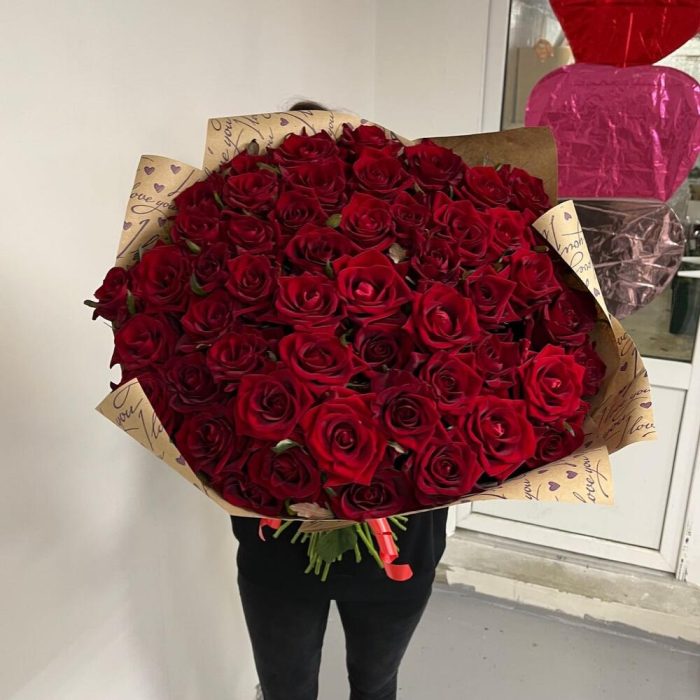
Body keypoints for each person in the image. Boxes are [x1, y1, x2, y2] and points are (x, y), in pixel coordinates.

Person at [230, 101, 449, 700]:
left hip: (399, 551)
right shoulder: (252, 284)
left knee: (375, 686)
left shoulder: (415, 275)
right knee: (287, 689)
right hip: (278, 549)